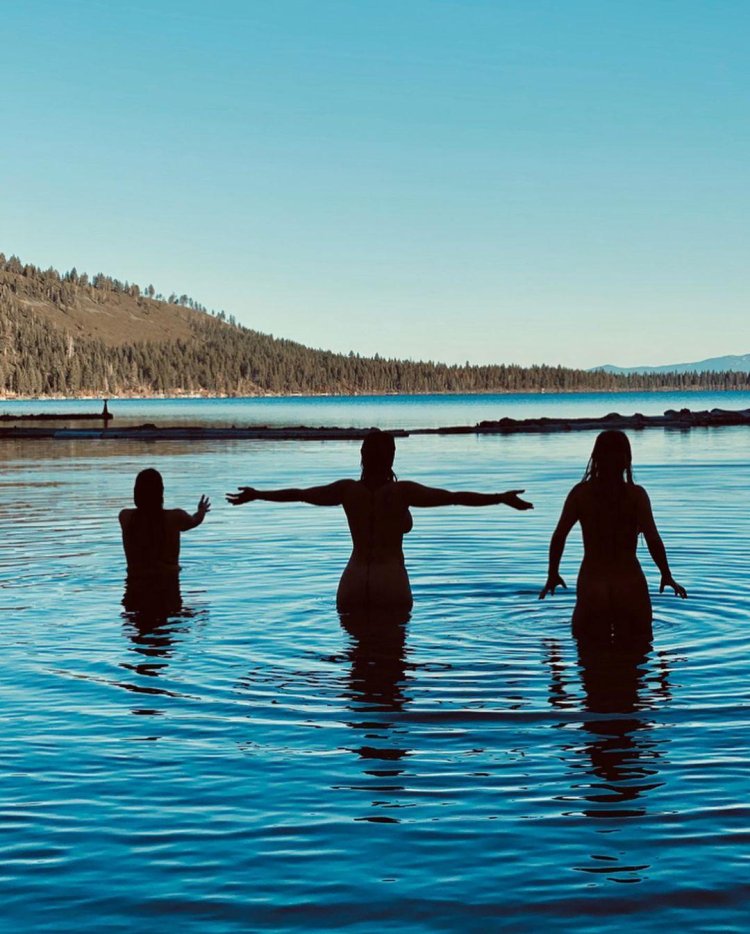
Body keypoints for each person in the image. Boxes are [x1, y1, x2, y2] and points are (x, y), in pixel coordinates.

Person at [226, 429, 533, 611]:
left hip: (353, 584)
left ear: (363, 456)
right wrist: (500, 497)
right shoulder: (402, 493)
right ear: (391, 458)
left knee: (357, 675)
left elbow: (300, 494)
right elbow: (454, 496)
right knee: (393, 671)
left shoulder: (348, 491)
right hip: (391, 584)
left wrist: (258, 494)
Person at [539, 430, 686, 644]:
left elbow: (559, 535)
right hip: (629, 584)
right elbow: (653, 538)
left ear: (596, 458)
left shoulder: (580, 494)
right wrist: (666, 574)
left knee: (589, 659)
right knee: (637, 658)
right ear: (627, 460)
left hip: (593, 584)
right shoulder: (636, 496)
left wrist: (553, 573)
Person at [119, 468, 210, 611]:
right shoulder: (175, 518)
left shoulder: (125, 518)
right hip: (168, 586)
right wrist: (201, 511)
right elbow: (194, 521)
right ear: (161, 492)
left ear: (136, 492)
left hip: (135, 587)